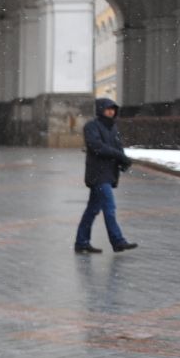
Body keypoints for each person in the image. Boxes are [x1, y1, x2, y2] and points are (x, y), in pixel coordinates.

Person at [76, 97, 137, 254]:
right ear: (100, 110)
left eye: (113, 109)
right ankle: (117, 241)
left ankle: (81, 242)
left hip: (108, 174)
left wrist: (123, 160)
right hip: (98, 174)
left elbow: (117, 146)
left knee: (92, 210)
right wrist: (118, 155)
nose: (111, 111)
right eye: (107, 108)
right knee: (109, 207)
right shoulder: (91, 126)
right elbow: (97, 146)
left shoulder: (113, 127)